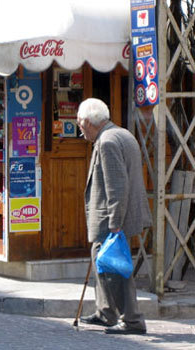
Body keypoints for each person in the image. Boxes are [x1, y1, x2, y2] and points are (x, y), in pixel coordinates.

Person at [77, 98, 152, 335]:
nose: (80, 130)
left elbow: (116, 187)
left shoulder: (107, 141)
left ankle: (132, 320)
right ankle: (106, 312)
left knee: (115, 269)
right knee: (103, 263)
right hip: (119, 215)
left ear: (88, 122)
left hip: (112, 218)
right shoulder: (122, 134)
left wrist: (115, 224)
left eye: (80, 125)